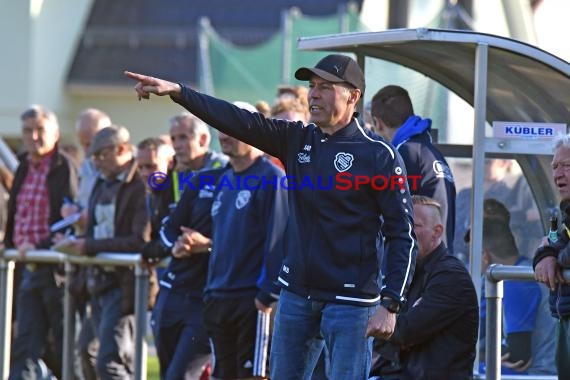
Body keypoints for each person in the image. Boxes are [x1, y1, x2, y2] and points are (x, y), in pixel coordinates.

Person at [125, 53, 417, 379]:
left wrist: (391, 303)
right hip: (296, 295)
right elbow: (237, 120)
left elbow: (401, 233)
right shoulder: (298, 139)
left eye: (325, 87)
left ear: (353, 95)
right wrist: (180, 92)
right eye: (312, 86)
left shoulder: (379, 155)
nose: (314, 94)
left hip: (351, 301)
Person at [54, 125, 150, 379]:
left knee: (110, 361)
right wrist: (75, 239)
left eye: (100, 155)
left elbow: (139, 241)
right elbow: (96, 231)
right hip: (99, 282)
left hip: (126, 285)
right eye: (92, 156)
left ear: (120, 149)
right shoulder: (101, 181)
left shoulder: (141, 182)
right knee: (86, 351)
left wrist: (89, 246)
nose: (94, 162)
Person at [4, 105, 78, 379]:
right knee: (25, 344)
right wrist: (10, 242)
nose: (33, 136)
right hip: (27, 268)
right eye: (27, 130)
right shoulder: (24, 165)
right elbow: (16, 211)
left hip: (56, 270)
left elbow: (72, 218)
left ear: (55, 134)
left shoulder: (64, 167)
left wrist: (41, 247)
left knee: (63, 346)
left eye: (40, 130)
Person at [370, 195, 478, 380]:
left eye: (414, 225)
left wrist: (380, 321)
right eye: (400, 224)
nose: (404, 231)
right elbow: (387, 335)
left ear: (437, 232)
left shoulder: (451, 276)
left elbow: (403, 331)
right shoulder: (402, 272)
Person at [371, 85, 456, 251]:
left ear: (378, 123)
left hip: (422, 264)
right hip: (440, 258)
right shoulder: (429, 151)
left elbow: (395, 214)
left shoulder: (405, 154)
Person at [479, 212, 556, 375]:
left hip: (539, 373)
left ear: (485, 255)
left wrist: (480, 357)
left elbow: (518, 357)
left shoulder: (516, 283)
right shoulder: (520, 269)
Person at [534, 133, 570, 378]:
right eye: (555, 166)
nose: (558, 174)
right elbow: (551, 242)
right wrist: (545, 254)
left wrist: (557, 256)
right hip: (564, 315)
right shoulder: (563, 213)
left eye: (567, 166)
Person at [169, 112, 228, 201]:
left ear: (202, 139)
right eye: (173, 139)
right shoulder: (180, 173)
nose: (176, 146)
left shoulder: (224, 166)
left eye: (183, 137)